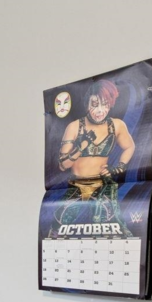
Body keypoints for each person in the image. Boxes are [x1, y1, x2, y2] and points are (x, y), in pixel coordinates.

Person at [51, 79, 135, 236]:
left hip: (103, 185)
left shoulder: (116, 125)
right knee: (58, 228)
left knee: (114, 229)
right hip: (76, 185)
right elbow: (63, 165)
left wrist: (119, 167)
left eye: (105, 105)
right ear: (87, 103)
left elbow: (130, 147)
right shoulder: (75, 126)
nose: (100, 110)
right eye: (95, 104)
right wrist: (81, 146)